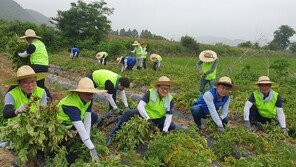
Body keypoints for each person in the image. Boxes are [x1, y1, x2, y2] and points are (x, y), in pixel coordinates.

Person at [106, 76, 177, 146]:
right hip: (145, 115)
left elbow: (169, 115)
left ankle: (156, 133)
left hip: (158, 118)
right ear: (158, 87)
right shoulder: (151, 92)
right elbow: (140, 106)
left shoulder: (169, 99)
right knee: (128, 113)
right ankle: (113, 134)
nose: (165, 91)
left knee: (172, 126)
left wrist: (165, 129)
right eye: (163, 88)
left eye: (167, 89)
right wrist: (148, 119)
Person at [3, 65, 48, 166]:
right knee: (18, 151)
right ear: (19, 84)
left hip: (36, 125)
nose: (30, 85)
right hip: (18, 127)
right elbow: (5, 113)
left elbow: (43, 110)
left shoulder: (41, 92)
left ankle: (40, 156)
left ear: (36, 81)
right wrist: (17, 110)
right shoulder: (11, 94)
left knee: (43, 135)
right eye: (25, 82)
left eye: (32, 82)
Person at [57, 77, 106, 162]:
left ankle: (80, 138)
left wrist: (88, 138)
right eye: (87, 93)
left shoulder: (88, 99)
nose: (90, 96)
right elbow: (80, 127)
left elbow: (87, 118)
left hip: (73, 122)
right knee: (64, 147)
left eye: (92, 93)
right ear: (79, 92)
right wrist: (91, 148)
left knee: (94, 116)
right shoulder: (71, 105)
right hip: (61, 126)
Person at [17, 29, 52, 100]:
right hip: (45, 66)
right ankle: (48, 98)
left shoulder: (33, 45)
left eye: (26, 38)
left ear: (30, 38)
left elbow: (24, 55)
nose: (26, 40)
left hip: (37, 66)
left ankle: (29, 97)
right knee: (40, 83)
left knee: (25, 79)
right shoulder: (40, 43)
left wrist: (18, 54)